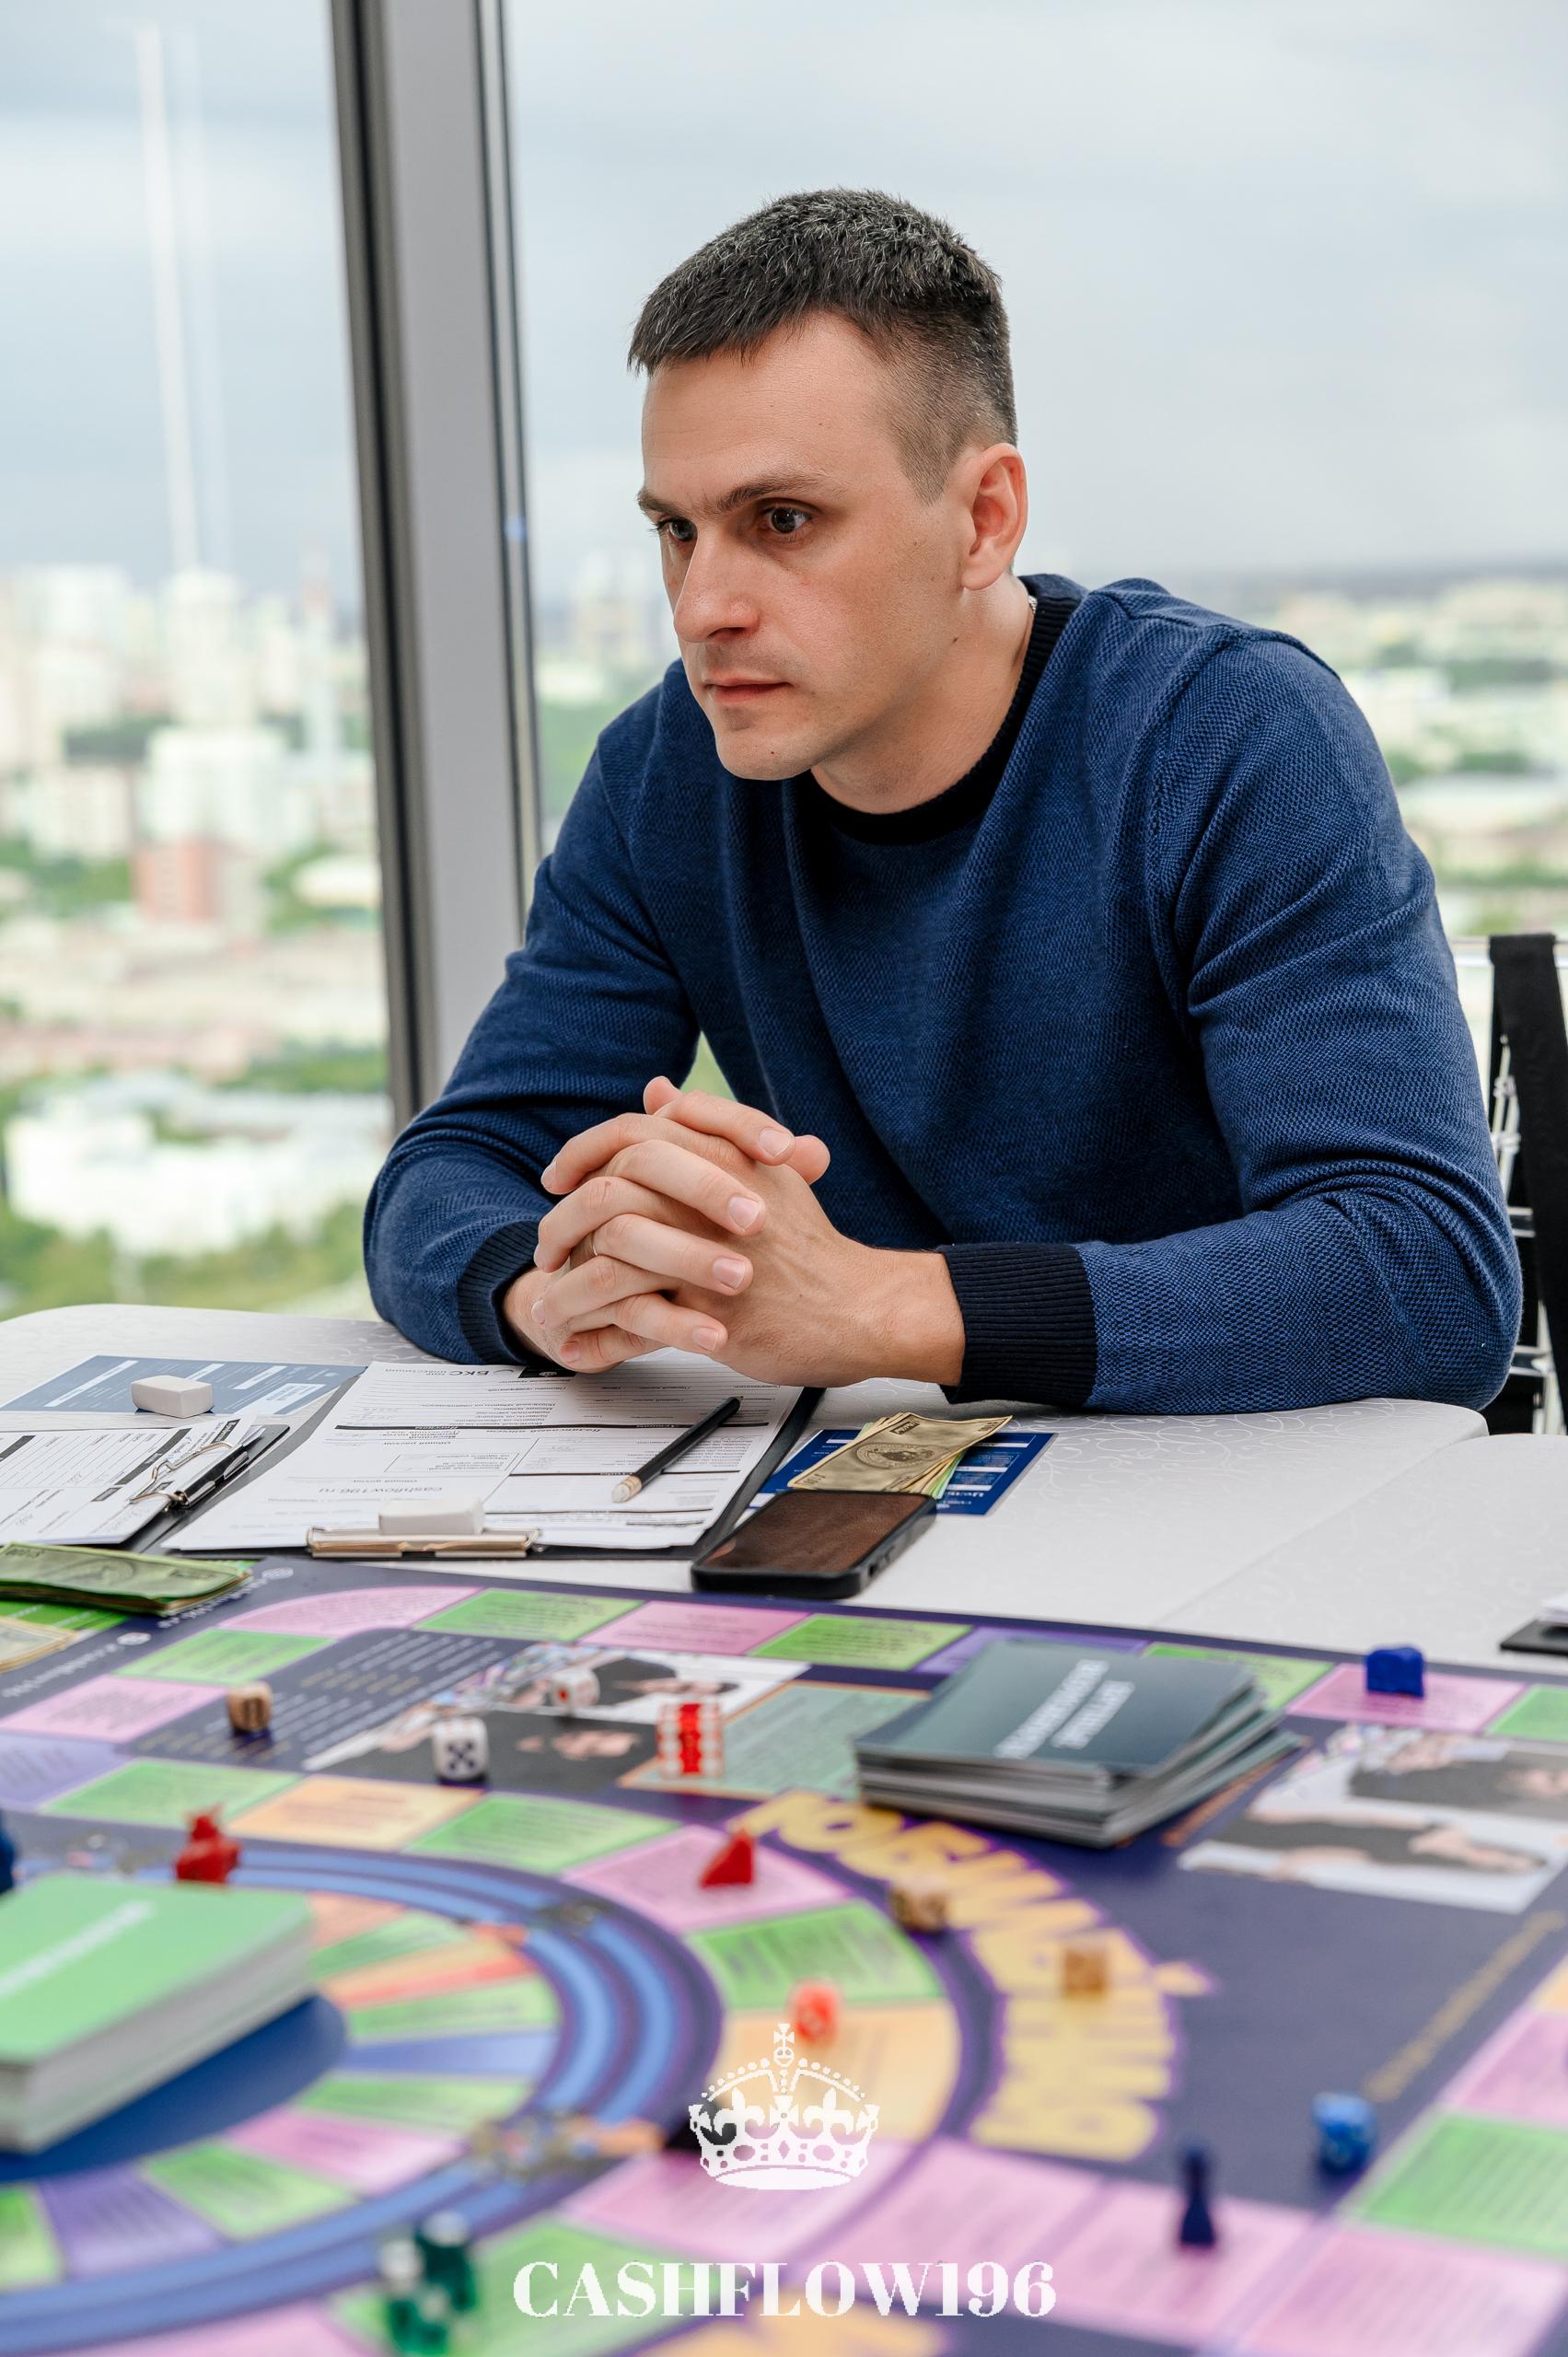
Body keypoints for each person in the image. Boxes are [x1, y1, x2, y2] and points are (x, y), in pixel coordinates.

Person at [365, 188, 1518, 1414]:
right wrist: (548, 1289)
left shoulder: (1228, 737)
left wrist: (872, 1309)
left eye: (782, 520)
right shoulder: (669, 771)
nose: (703, 607)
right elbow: (454, 1170)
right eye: (678, 532)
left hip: (1255, 1485)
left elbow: (1427, 1275)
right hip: (906, 1479)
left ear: (983, 519)